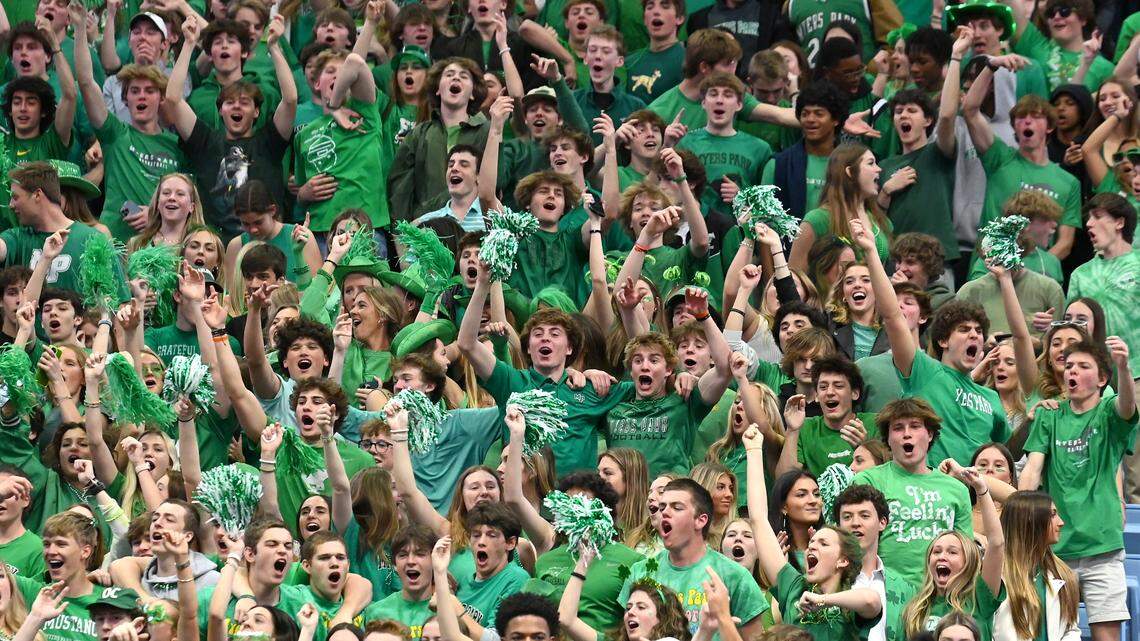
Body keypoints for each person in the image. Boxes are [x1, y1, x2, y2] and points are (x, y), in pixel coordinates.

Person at [856, 215, 1009, 466]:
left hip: (976, 487)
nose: (974, 335)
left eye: (978, 331)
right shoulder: (925, 371)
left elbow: (1008, 453)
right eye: (964, 329)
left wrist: (1033, 421)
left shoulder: (991, 397)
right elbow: (893, 317)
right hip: (933, 481)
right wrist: (871, 252)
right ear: (943, 341)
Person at [1019, 337, 1136, 641]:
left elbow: (1127, 407)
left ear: (1102, 379)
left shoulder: (1109, 412)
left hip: (1102, 548)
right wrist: (1019, 519)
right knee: (1052, 635)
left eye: (1083, 366)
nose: (1072, 370)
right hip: (1054, 550)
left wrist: (1124, 368)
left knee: (1107, 636)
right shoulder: (1049, 414)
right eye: (1069, 365)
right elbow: (1032, 469)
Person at [744, 425, 883, 639]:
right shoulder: (794, 588)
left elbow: (871, 601)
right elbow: (758, 520)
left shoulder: (851, 598)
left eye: (823, 543)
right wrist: (753, 451)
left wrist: (823, 600)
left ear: (843, 560)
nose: (813, 546)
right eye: (812, 543)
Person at [618, 477, 770, 637]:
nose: (664, 513)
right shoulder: (639, 572)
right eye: (662, 507)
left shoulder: (735, 576)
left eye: (677, 507)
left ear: (700, 520)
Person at [851, 397, 974, 587]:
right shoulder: (867, 481)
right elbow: (853, 543)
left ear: (930, 434)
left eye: (915, 426)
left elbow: (966, 553)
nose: (907, 434)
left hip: (941, 593)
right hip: (884, 592)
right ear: (888, 438)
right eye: (898, 428)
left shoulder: (957, 489)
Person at [992, 491, 1080, 641]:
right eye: (1053, 515)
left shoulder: (1063, 574)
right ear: (1030, 520)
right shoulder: (995, 575)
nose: (1061, 522)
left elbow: (1071, 630)